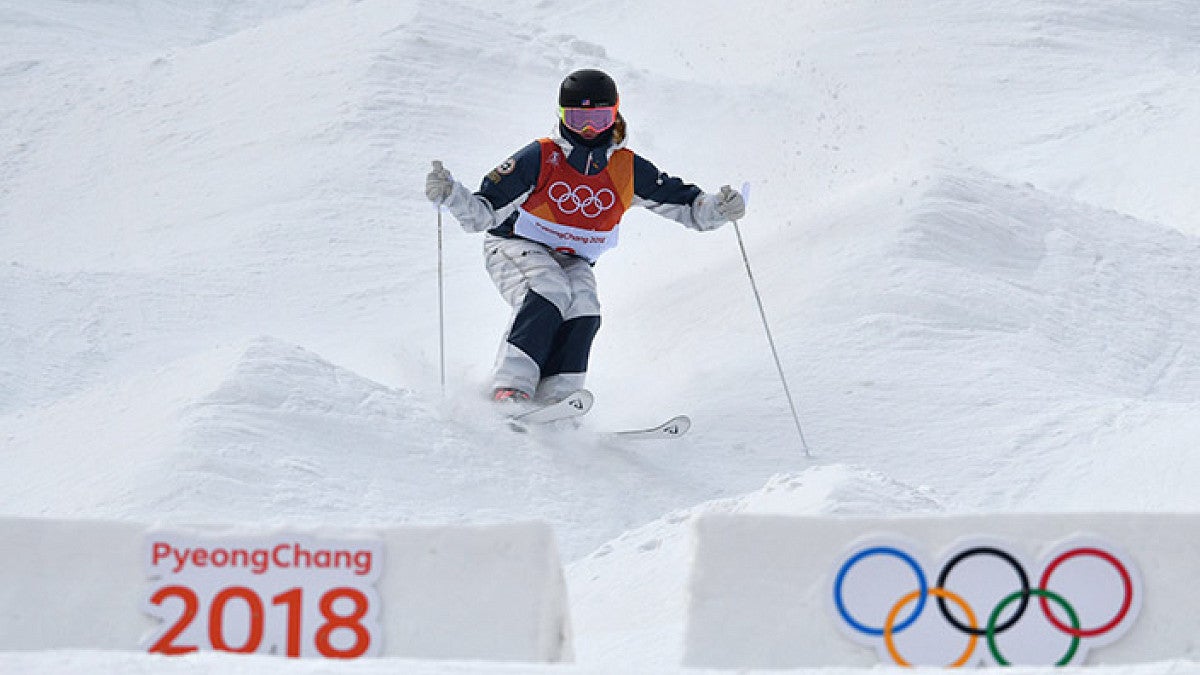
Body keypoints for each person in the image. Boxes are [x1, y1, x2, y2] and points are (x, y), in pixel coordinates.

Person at [425, 68, 745, 407]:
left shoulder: (627, 169)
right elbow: (482, 213)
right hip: (514, 245)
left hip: (572, 258)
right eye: (578, 119)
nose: (589, 129)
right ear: (562, 116)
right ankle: (511, 386)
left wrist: (719, 209)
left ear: (615, 114)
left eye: (599, 118)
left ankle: (558, 398)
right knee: (547, 289)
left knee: (584, 307)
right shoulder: (542, 156)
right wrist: (451, 194)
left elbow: (689, 207)